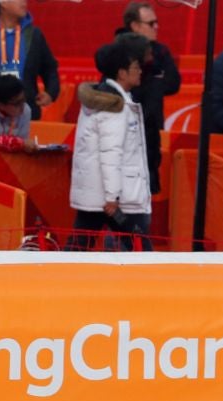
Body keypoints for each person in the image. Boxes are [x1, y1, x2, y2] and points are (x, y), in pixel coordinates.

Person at [66, 42, 152, 252]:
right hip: (112, 200)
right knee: (141, 249)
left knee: (77, 248)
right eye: (136, 67)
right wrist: (112, 197)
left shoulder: (103, 100)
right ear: (122, 73)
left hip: (98, 195)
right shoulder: (113, 106)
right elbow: (110, 153)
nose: (140, 71)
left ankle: (55, 272)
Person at [117, 2, 181, 195]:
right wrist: (153, 81)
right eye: (151, 23)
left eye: (156, 22)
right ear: (135, 26)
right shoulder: (118, 50)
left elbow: (174, 82)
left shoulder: (160, 51)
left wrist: (154, 85)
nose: (156, 27)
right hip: (124, 128)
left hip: (151, 129)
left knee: (149, 185)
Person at [0, 0, 60, 121]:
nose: (24, 2)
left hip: (27, 113)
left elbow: (50, 68)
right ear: (3, 3)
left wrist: (50, 92)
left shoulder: (34, 35)